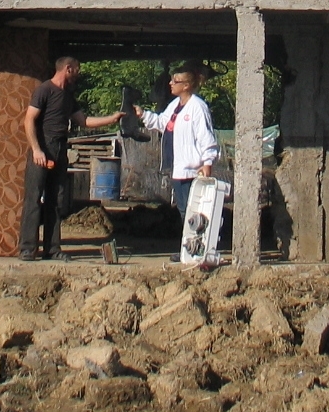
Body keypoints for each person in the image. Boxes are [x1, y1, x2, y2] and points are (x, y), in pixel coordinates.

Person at [20, 56, 123, 261]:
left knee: (56, 201)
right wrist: (37, 150)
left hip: (60, 147)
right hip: (42, 147)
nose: (79, 74)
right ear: (68, 69)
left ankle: (53, 249)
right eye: (77, 70)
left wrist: (112, 118)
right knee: (33, 199)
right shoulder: (44, 90)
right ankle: (27, 249)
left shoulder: (68, 95)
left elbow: (83, 120)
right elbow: (29, 120)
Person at [136, 61, 220, 219]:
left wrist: (207, 162)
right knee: (183, 210)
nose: (170, 84)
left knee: (194, 212)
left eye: (175, 81)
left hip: (192, 171)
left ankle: (196, 242)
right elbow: (162, 123)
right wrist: (142, 114)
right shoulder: (175, 105)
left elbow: (206, 136)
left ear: (186, 85)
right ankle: (188, 242)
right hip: (178, 168)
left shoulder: (197, 107)